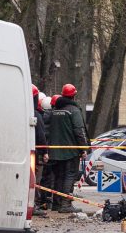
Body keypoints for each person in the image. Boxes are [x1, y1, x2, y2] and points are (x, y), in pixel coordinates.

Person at [46, 83, 88, 213]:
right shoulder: (74, 111)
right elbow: (79, 131)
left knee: (58, 176)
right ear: (74, 96)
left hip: (54, 151)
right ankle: (66, 204)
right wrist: (83, 148)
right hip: (70, 151)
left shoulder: (54, 111)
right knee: (69, 175)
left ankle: (57, 204)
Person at [32, 86, 49, 217]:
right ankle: (34, 205)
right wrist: (45, 152)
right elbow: (41, 135)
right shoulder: (36, 114)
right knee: (35, 179)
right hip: (35, 154)